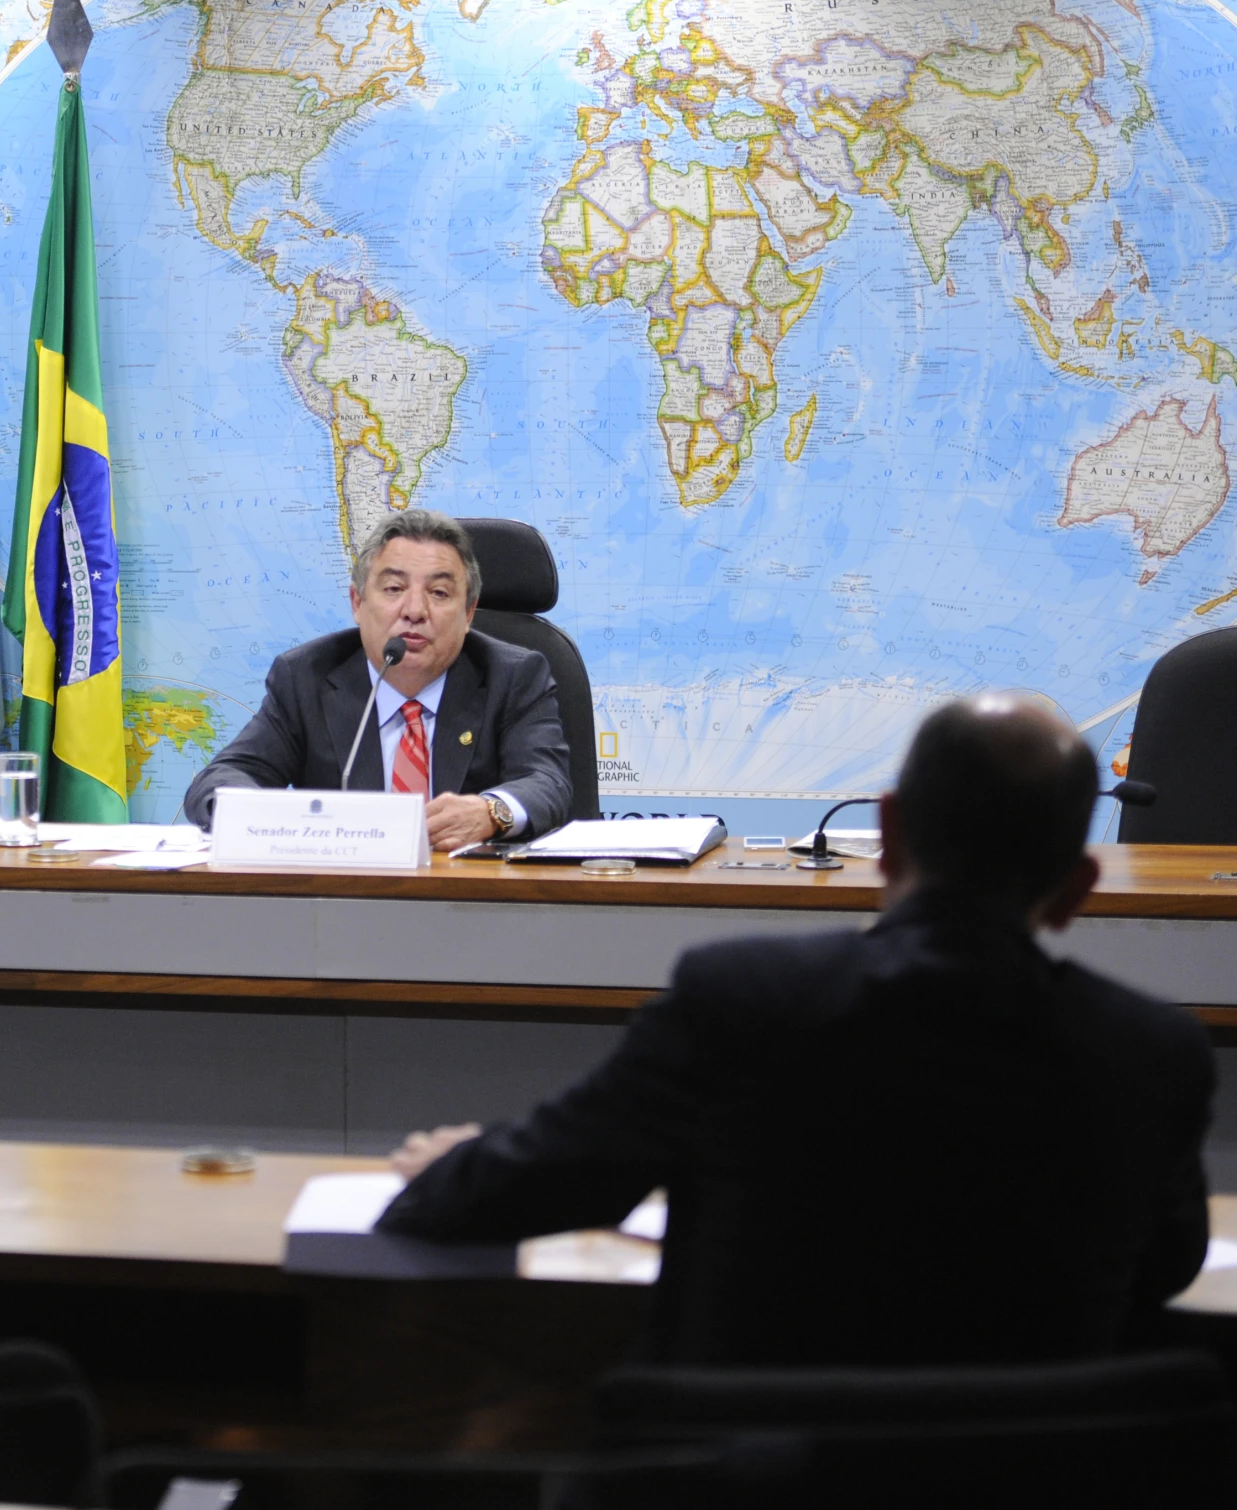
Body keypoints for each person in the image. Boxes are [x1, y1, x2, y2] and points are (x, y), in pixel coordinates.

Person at [377, 695, 1213, 1365]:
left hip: (742, 1473)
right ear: (1075, 888)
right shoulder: (1153, 1057)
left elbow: (550, 1178)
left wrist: (442, 1172)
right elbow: (1164, 1265)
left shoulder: (742, 999)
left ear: (885, 837)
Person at [181, 509, 569, 848]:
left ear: (468, 614)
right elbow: (221, 779)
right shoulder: (306, 677)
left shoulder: (514, 676)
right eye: (394, 588)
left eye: (438, 592)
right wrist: (264, 817)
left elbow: (546, 782)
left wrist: (491, 811)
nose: (414, 610)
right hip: (345, 907)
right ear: (357, 602)